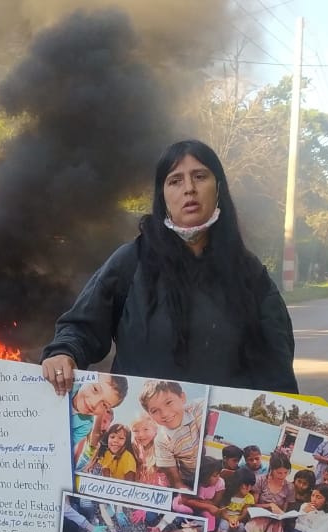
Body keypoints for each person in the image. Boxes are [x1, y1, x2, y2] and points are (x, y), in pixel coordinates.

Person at [41, 139, 298, 396]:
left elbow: (276, 367)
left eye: (200, 176)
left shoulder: (248, 274)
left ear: (218, 188)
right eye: (175, 180)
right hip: (144, 427)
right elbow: (81, 326)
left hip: (222, 431)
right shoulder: (131, 262)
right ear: (162, 196)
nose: (189, 189)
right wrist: (64, 352)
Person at [244, 451, 298, 532]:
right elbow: (253, 504)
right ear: (272, 470)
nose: (282, 475)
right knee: (257, 525)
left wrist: (282, 515)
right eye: (279, 472)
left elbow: (284, 510)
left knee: (277, 529)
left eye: (286, 472)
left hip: (276, 519)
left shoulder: (289, 487)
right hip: (259, 515)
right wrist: (269, 506)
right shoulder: (261, 480)